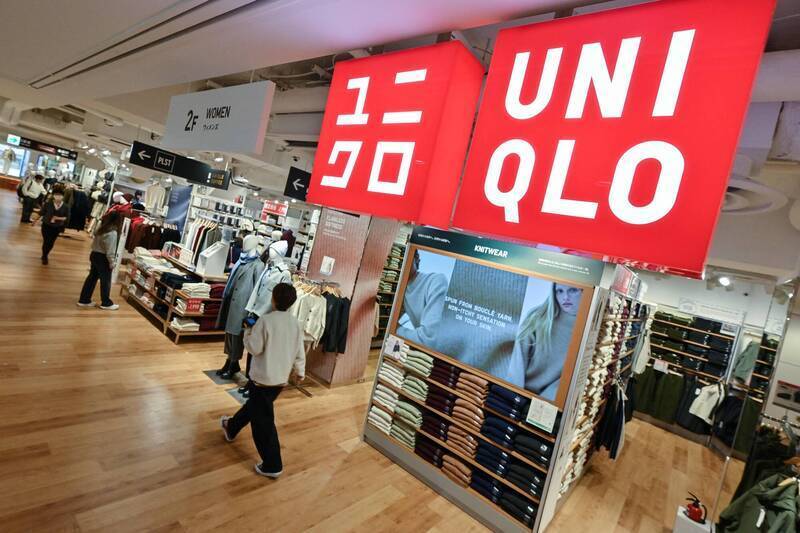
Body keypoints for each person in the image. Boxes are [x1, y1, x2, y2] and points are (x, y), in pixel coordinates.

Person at [220, 283, 305, 479]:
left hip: (262, 379)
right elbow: (299, 350)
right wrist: (300, 371)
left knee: (263, 422)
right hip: (279, 380)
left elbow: (254, 348)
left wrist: (248, 331)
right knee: (256, 407)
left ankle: (272, 464)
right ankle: (231, 427)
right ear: (292, 303)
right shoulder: (295, 323)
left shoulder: (265, 321)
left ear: (273, 299)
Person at [509, 283, 582, 400]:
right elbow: (517, 361)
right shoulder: (538, 316)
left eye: (572, 290)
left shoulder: (585, 330)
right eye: (559, 291)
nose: (565, 297)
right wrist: (512, 396)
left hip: (549, 402)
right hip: (515, 395)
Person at [396, 250, 448, 346]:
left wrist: (396, 329)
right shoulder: (401, 290)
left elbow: (428, 339)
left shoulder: (435, 281)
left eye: (406, 257)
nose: (401, 263)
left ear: (416, 259)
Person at [77, 211, 121, 310]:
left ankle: (84, 299)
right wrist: (112, 262)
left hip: (94, 254)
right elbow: (110, 250)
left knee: (92, 278)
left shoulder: (101, 228)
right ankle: (106, 303)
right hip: (103, 258)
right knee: (105, 280)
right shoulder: (112, 232)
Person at [35, 184, 70, 265]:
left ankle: (45, 254)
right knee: (46, 241)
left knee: (51, 242)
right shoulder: (48, 204)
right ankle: (44, 256)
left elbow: (67, 218)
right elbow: (41, 213)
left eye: (60, 195)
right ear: (53, 195)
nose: (58, 196)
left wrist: (58, 218)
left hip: (57, 227)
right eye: (56, 194)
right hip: (46, 225)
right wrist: (35, 220)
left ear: (63, 196)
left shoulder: (66, 206)